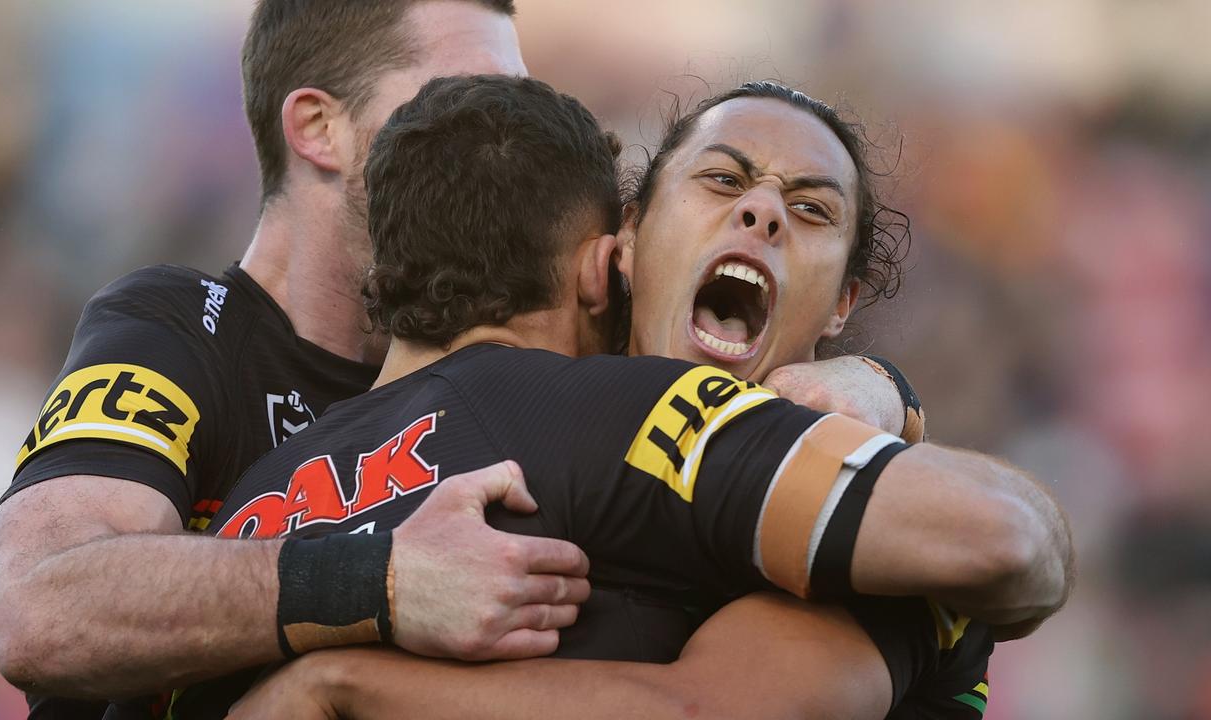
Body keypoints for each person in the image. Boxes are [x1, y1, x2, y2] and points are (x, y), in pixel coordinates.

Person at [208, 74, 1072, 719]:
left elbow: (1011, 542)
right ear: (624, 246)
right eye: (724, 182)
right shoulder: (588, 416)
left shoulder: (889, 537)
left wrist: (889, 398)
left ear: (845, 304)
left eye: (811, 210)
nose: (764, 212)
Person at [0, 2, 596, 718]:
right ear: (315, 128)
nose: (511, 143)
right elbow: (40, 606)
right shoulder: (174, 331)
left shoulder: (537, 342)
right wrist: (382, 579)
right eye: (462, 100)